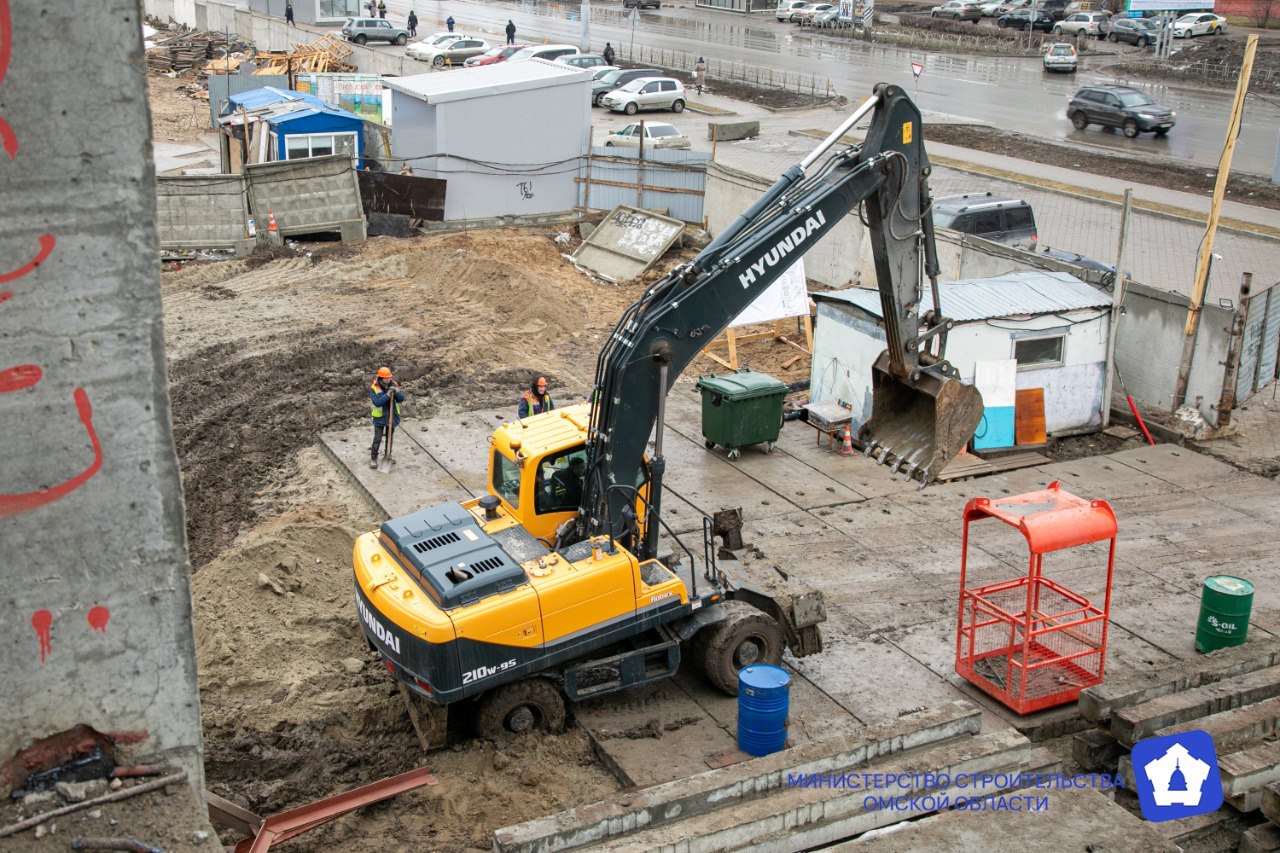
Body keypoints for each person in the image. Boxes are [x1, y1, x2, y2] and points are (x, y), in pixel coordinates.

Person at [369, 367, 405, 469]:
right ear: (381, 378)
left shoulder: (393, 384)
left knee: (390, 438)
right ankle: (373, 459)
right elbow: (377, 402)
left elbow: (401, 399)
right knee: (377, 439)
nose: (388, 380)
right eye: (386, 378)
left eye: (389, 377)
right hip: (379, 418)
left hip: (391, 417)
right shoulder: (374, 388)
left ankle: (387, 456)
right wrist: (388, 395)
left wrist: (397, 392)